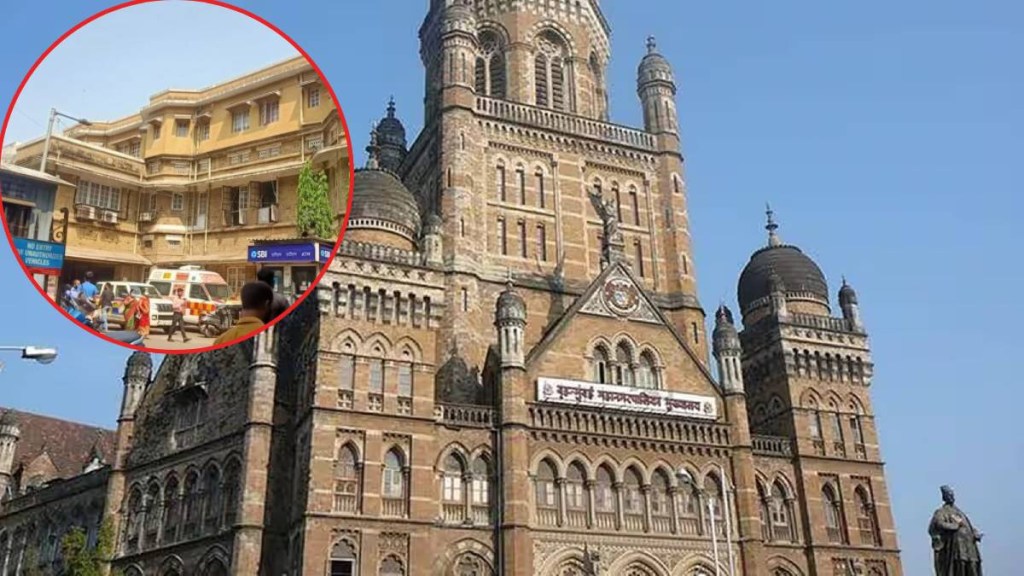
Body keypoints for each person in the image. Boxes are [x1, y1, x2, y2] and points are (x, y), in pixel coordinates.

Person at [929, 485, 983, 576]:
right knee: (960, 566)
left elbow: (968, 526)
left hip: (970, 545)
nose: (951, 497)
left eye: (952, 495)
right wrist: (955, 526)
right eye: (949, 495)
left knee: (973, 566)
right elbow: (938, 523)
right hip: (957, 546)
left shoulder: (959, 512)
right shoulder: (941, 511)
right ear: (944, 497)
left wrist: (975, 533)